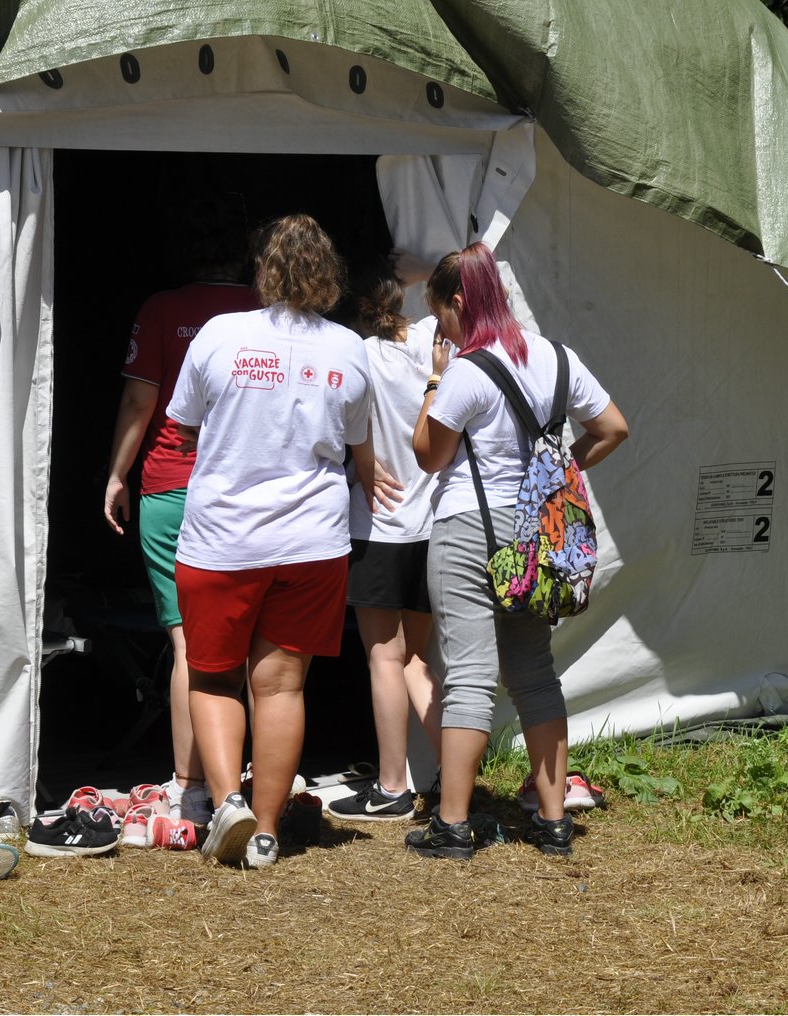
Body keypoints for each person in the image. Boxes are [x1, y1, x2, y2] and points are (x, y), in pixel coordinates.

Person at [405, 242, 630, 860]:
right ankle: (554, 822)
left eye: (441, 317)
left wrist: (433, 377)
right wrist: (557, 474)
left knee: (470, 675)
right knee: (534, 671)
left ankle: (452, 825)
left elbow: (429, 455)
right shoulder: (558, 358)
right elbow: (613, 427)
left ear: (458, 303)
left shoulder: (467, 372)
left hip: (468, 526)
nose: (443, 332)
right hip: (536, 528)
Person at [165, 214, 372, 868]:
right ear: (328, 274)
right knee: (281, 687)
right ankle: (268, 831)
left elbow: (183, 428)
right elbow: (359, 447)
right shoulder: (347, 348)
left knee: (214, 675)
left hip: (222, 538)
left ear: (264, 270)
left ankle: (229, 803)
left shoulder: (219, 335)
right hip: (312, 539)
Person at [103, 194, 258, 826]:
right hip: (248, 493)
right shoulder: (265, 312)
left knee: (189, 642)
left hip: (170, 486)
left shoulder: (162, 309)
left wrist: (115, 473)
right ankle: (245, 782)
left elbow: (141, 404)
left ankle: (191, 789)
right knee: (249, 644)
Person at [328, 260, 443, 822]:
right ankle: (454, 775)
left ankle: (393, 785)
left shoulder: (353, 354)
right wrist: (419, 271)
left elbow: (343, 428)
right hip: (432, 522)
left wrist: (362, 462)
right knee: (419, 659)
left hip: (377, 522)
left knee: (383, 657)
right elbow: (475, 256)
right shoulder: (430, 339)